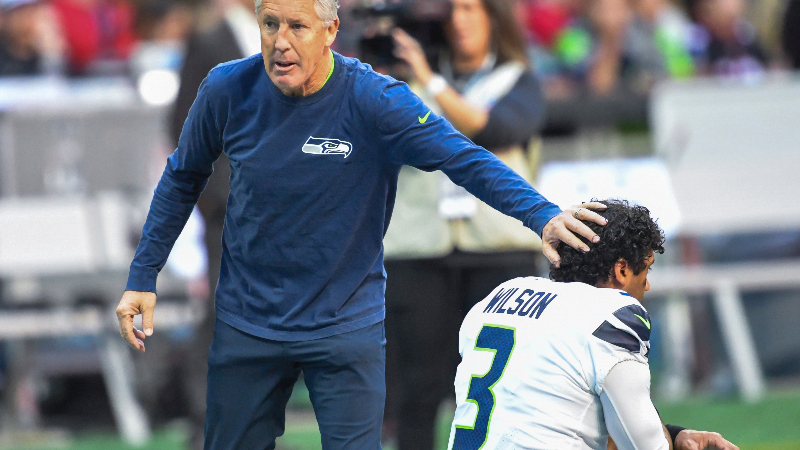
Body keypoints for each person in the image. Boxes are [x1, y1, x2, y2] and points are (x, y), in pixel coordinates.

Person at [115, 0, 608, 448]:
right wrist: (143, 275)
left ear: (331, 31)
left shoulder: (375, 99)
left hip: (343, 326)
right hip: (249, 323)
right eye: (270, 25)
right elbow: (182, 176)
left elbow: (465, 159)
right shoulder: (227, 87)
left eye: (297, 27)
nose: (280, 41)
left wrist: (541, 214)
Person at [382, 0, 549, 448]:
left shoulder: (519, 79)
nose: (459, 20)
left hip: (499, 249)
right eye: (450, 10)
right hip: (418, 247)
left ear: (494, 17)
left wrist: (429, 79)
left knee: (499, 385)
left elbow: (494, 131)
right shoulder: (398, 81)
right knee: (415, 387)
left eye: (471, 8)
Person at [447, 199, 739, 450]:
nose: (647, 285)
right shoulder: (612, 312)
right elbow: (642, 444)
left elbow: (553, 407)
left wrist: (676, 436)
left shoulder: (502, 294)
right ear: (622, 270)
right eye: (645, 270)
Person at [168, 0, 260, 447]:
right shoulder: (210, 39)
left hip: (288, 204)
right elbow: (184, 121)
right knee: (224, 314)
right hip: (231, 206)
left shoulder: (300, 36)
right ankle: (205, 421)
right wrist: (211, 198)